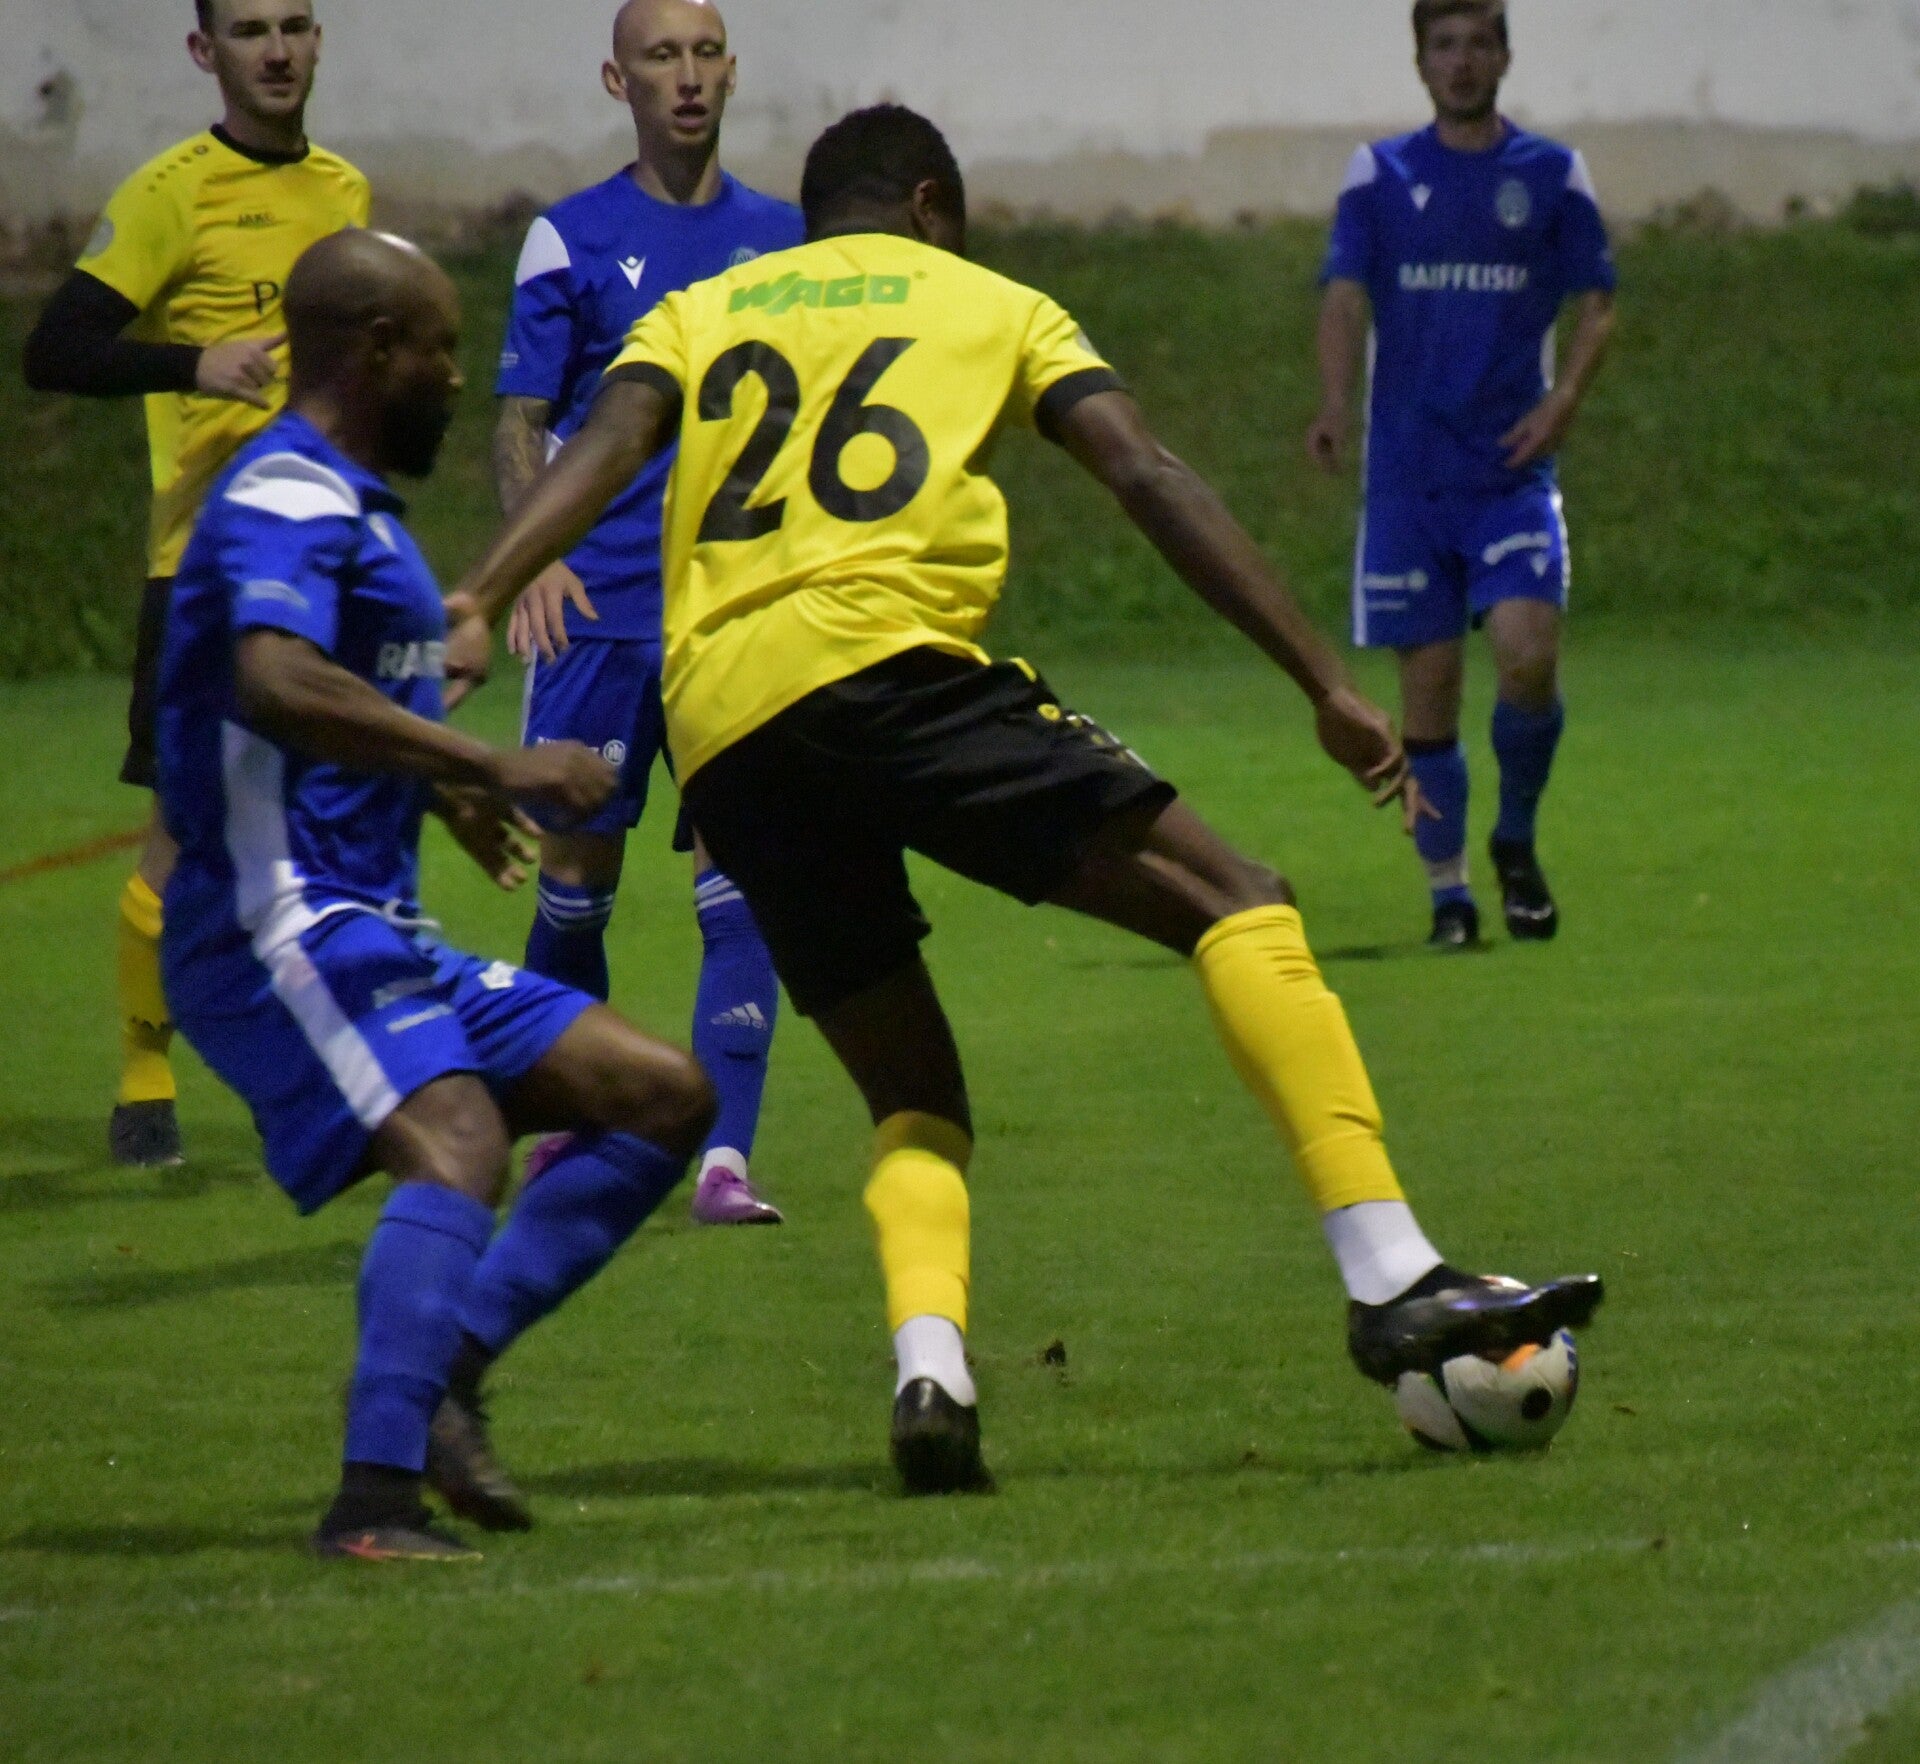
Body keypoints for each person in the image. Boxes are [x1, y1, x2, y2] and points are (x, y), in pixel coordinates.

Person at [446, 105, 1603, 1496]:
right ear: (932, 205)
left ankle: (931, 1375)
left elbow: (605, 438)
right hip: (891, 673)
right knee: (1241, 900)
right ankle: (1392, 1272)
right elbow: (1145, 472)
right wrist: (1320, 679)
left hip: (729, 729)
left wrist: (484, 590)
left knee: (913, 1087)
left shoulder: (707, 308)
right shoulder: (993, 301)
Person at [156, 228, 716, 1558]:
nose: (460, 381)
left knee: (660, 1096)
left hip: (372, 922)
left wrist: (435, 786)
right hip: (272, 924)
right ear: (372, 350)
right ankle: (372, 1503)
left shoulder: (357, 511)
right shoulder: (287, 493)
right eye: (439, 351)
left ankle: (443, 1370)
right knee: (459, 1142)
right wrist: (490, 763)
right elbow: (275, 681)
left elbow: (338, 709)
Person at [21, 0, 370, 1167]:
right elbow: (54, 349)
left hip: (324, 566)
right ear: (203, 52)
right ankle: (144, 1076)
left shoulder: (345, 193)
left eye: (294, 25)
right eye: (249, 30)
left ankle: (338, 1077)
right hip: (207, 572)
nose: (276, 50)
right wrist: (193, 363)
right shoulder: (172, 192)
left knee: (334, 831)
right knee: (179, 831)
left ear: (317, 41)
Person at [496, 0, 802, 1226]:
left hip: (734, 616)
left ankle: (725, 1159)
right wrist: (531, 559)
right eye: (660, 56)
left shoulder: (787, 240)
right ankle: (569, 1126)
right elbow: (522, 419)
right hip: (599, 614)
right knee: (576, 876)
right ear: (615, 80)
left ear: (732, 71)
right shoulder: (567, 237)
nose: (686, 77)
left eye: (704, 53)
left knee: (748, 875)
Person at [1307, 0, 1617, 949]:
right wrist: (1334, 404)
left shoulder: (1551, 174)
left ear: (1504, 56)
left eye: (1479, 43)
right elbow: (1344, 296)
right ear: (1421, 62)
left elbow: (1598, 300)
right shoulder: (1382, 173)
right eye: (1445, 45)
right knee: (1429, 697)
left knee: (1527, 654)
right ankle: (1450, 897)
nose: (1463, 61)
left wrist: (1563, 401)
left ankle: (1515, 837)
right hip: (1408, 481)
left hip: (1510, 473)